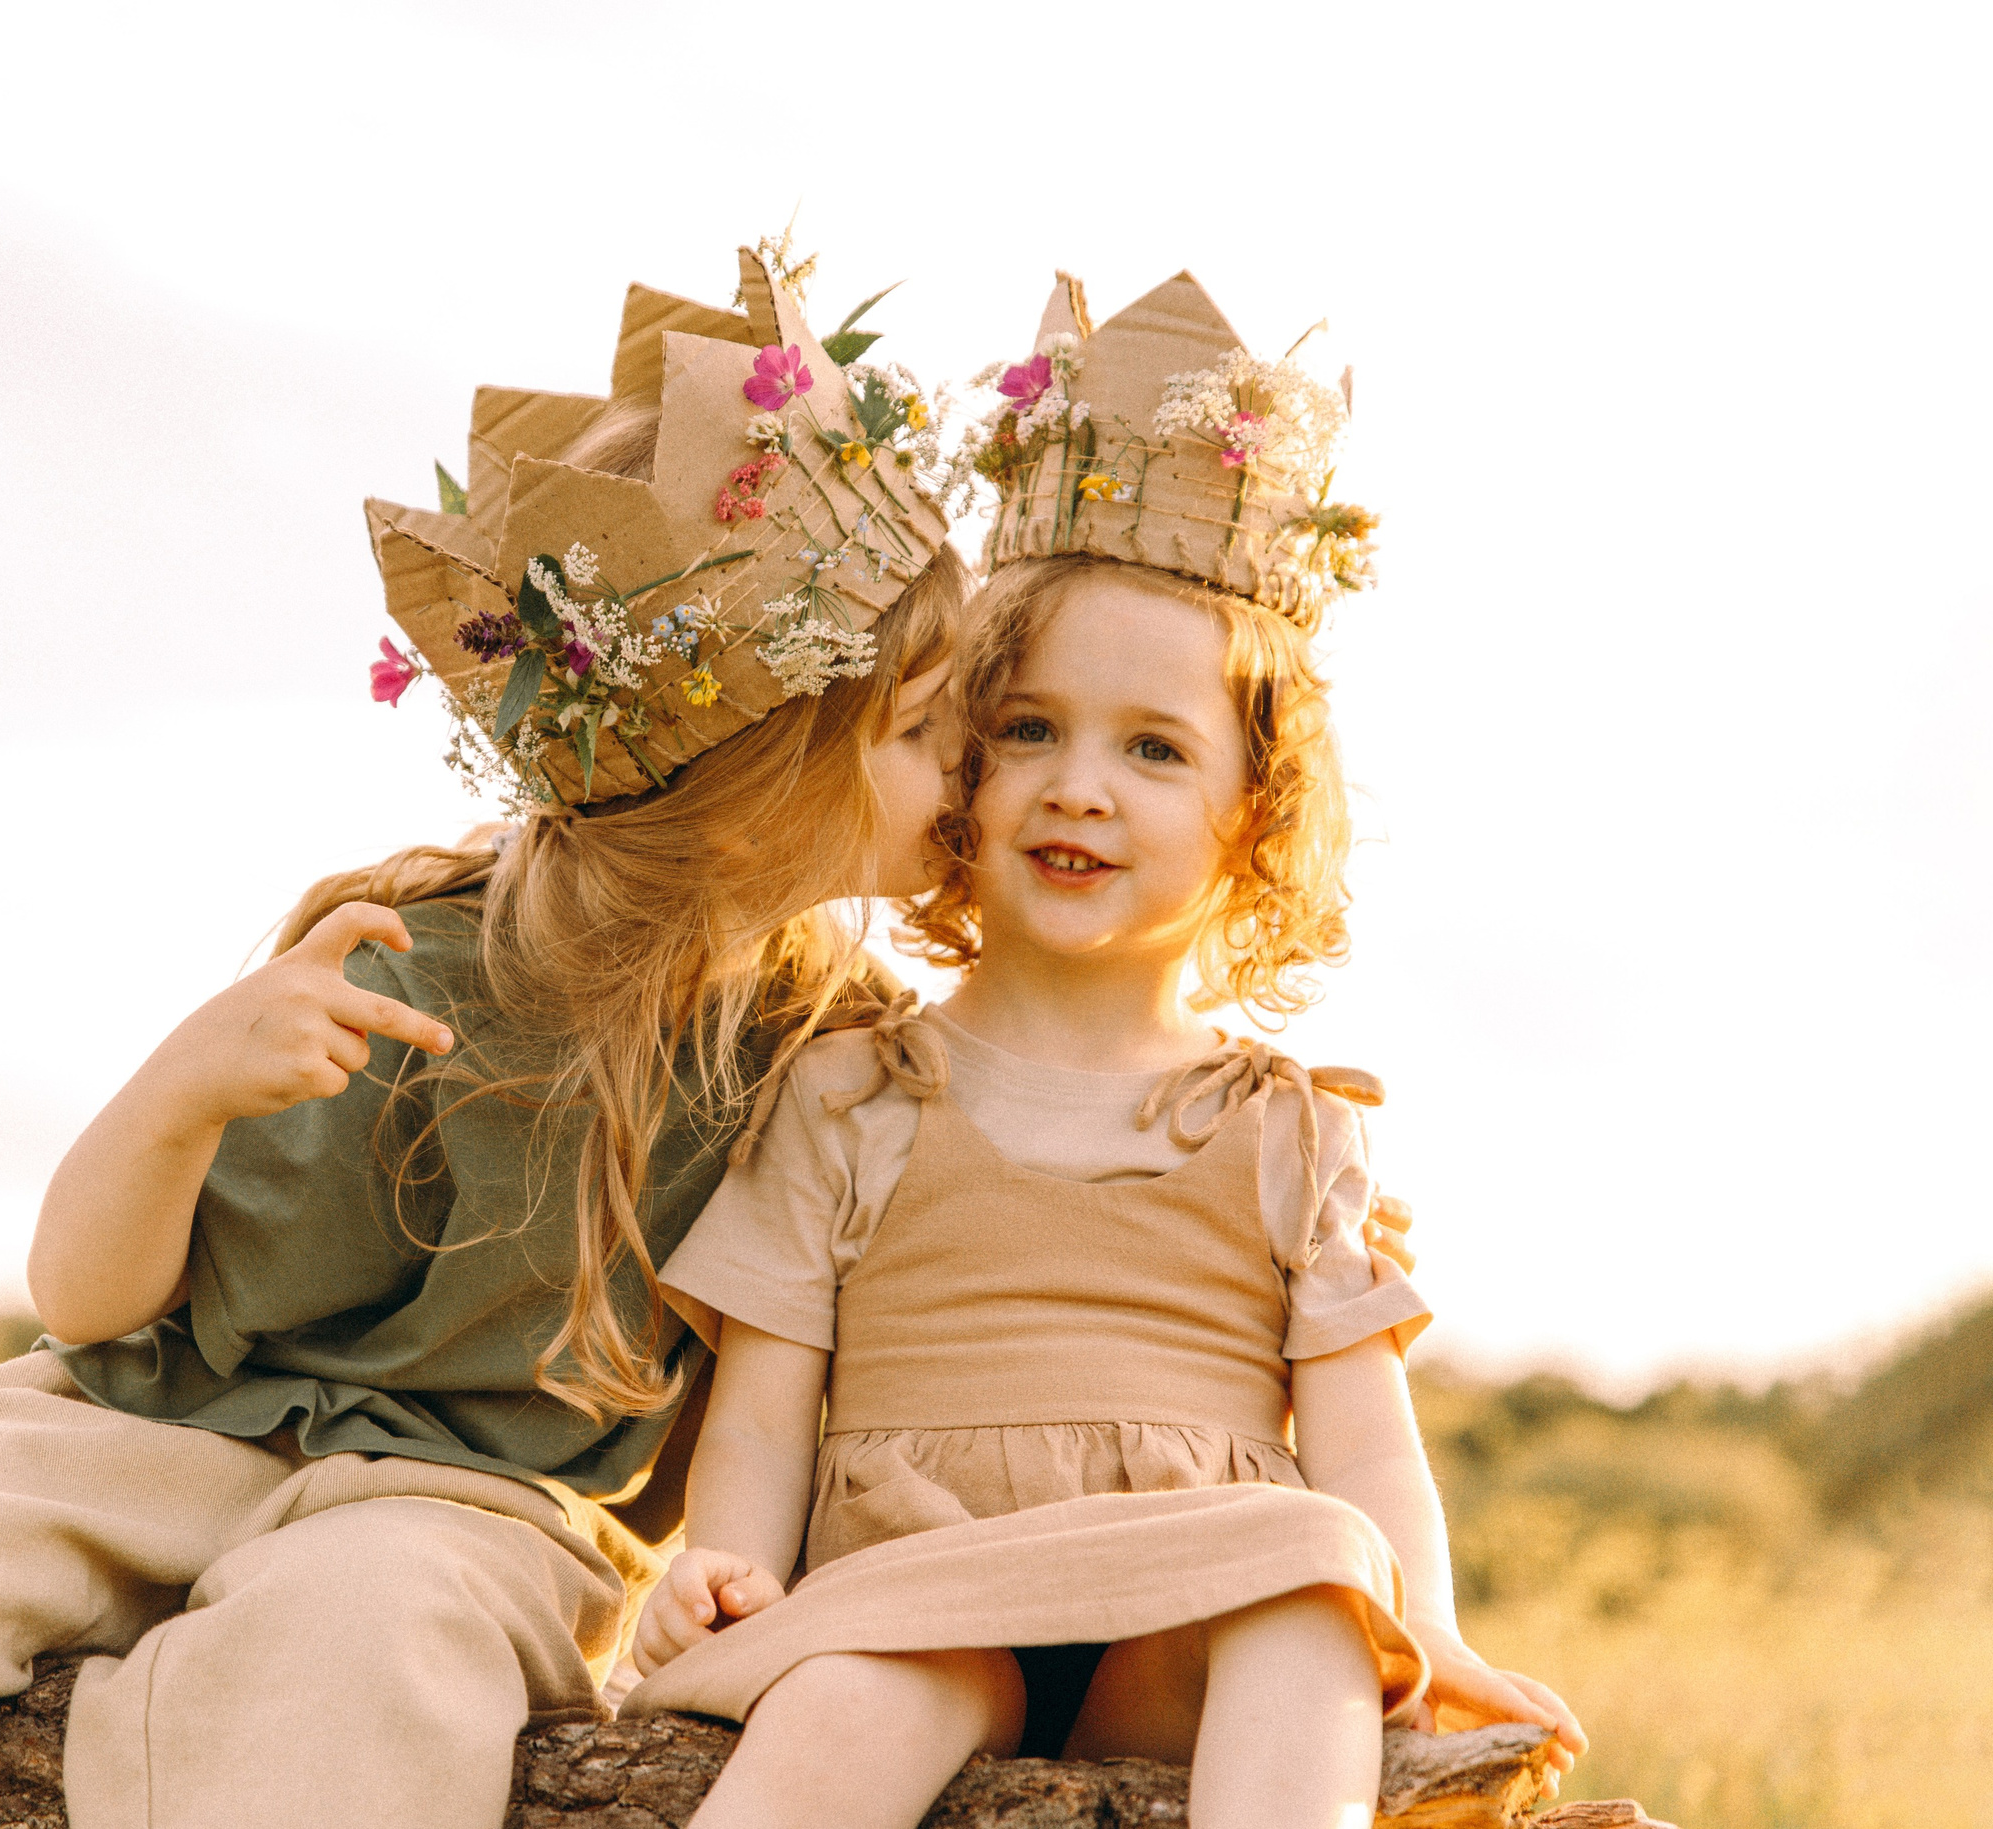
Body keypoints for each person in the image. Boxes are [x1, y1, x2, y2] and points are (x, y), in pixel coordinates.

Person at [0, 246, 974, 1829]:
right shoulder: (410, 957)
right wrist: (181, 1093)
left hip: (469, 1508)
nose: (966, 758)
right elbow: (87, 1298)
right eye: (915, 729)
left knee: (348, 1671)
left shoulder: (838, 1058)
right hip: (141, 1423)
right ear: (748, 774)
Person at [619, 271, 1584, 1829]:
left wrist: (1435, 1626)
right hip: (919, 1597)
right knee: (861, 1695)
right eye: (1028, 730)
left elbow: (1360, 1437)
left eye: (1153, 748)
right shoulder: (853, 1088)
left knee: (1311, 1601)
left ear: (1253, 813)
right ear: (956, 769)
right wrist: (726, 1566)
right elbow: (763, 1402)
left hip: (1183, 1609)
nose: (1081, 787)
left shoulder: (1285, 1125)